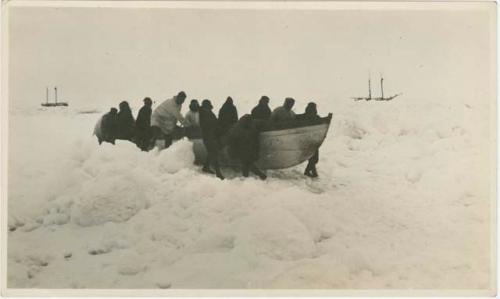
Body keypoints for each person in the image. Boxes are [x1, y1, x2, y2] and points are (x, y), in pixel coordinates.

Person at [228, 114, 267, 180]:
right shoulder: (240, 128)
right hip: (243, 150)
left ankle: (257, 175)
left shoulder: (246, 128)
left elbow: (255, 141)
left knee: (247, 164)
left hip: (247, 150)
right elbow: (233, 141)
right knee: (247, 164)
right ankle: (259, 175)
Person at [199, 99, 225, 180]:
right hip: (207, 137)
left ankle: (206, 167)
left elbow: (216, 122)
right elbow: (205, 125)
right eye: (206, 107)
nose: (208, 108)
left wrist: (219, 127)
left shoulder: (210, 113)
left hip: (212, 136)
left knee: (211, 152)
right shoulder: (202, 114)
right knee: (214, 153)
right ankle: (218, 173)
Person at [297, 102, 321, 178]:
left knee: (313, 158)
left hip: (308, 140)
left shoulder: (303, 117)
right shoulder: (316, 118)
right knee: (314, 158)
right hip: (311, 141)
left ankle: (311, 171)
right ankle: (308, 171)